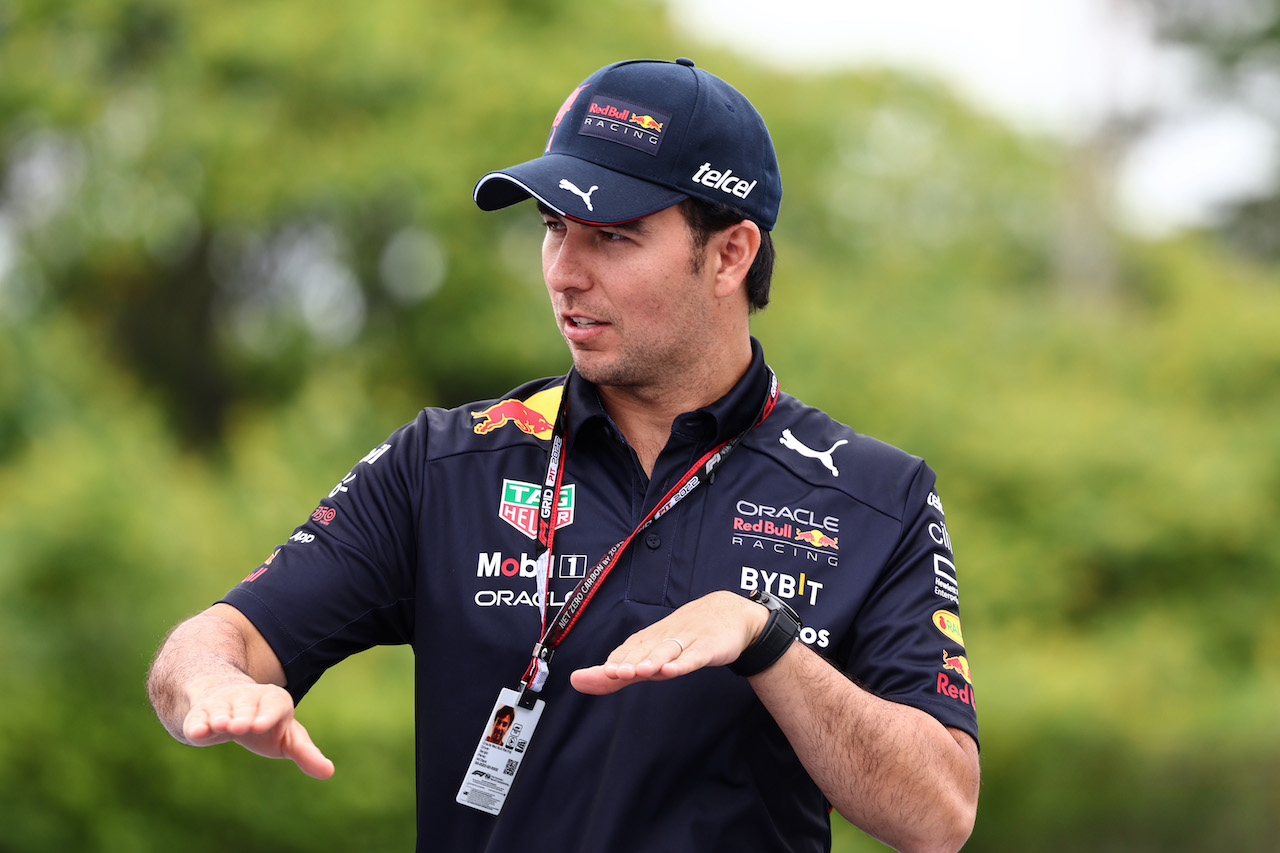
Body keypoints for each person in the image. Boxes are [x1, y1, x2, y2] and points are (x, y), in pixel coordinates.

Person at [147, 57, 979, 853]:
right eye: (553, 227)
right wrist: (210, 684)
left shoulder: (878, 495)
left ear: (730, 254)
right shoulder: (443, 462)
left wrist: (767, 642)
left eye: (613, 237)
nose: (564, 273)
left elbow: (940, 813)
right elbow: (216, 641)